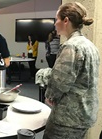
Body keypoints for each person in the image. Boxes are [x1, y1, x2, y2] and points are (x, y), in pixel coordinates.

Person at [43, 2, 100, 139]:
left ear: (66, 20)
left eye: (57, 19)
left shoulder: (71, 46)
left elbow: (59, 82)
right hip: (85, 114)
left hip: (67, 119)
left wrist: (50, 95)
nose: (55, 23)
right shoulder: (90, 45)